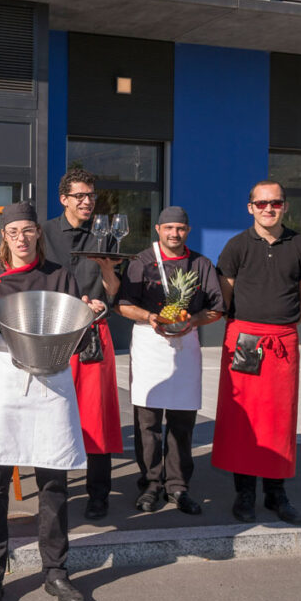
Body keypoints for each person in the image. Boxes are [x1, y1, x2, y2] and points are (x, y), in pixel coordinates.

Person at [0, 201, 92, 601]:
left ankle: (55, 571)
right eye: (13, 232)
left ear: (39, 233)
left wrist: (90, 317)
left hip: (51, 379)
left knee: (54, 480)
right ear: (4, 236)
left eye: (28, 230)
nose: (21, 238)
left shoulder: (60, 276)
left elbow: (80, 339)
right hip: (4, 375)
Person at [213, 180, 301, 525]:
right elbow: (224, 296)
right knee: (242, 420)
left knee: (279, 421)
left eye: (275, 203)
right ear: (251, 208)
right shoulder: (235, 246)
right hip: (244, 338)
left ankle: (276, 494)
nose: (268, 208)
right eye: (261, 203)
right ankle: (244, 496)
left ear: (284, 206)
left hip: (282, 343)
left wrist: (279, 323)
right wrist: (252, 327)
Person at [116, 207, 224, 515]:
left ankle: (178, 485)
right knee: (147, 421)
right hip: (149, 344)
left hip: (186, 343)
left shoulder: (201, 264)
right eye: (169, 228)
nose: (174, 234)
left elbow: (217, 307)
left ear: (188, 231)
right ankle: (150, 483)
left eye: (180, 229)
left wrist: (194, 322)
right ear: (157, 229)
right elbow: (123, 304)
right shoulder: (140, 262)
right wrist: (151, 316)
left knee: (182, 421)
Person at [41, 168, 123, 520]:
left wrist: (104, 289)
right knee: (52, 414)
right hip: (55, 334)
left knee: (96, 416)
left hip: (92, 333)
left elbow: (116, 288)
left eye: (91, 195)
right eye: (80, 196)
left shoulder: (105, 234)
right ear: (64, 199)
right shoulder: (44, 233)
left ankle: (99, 493)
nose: (87, 201)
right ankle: (52, 491)